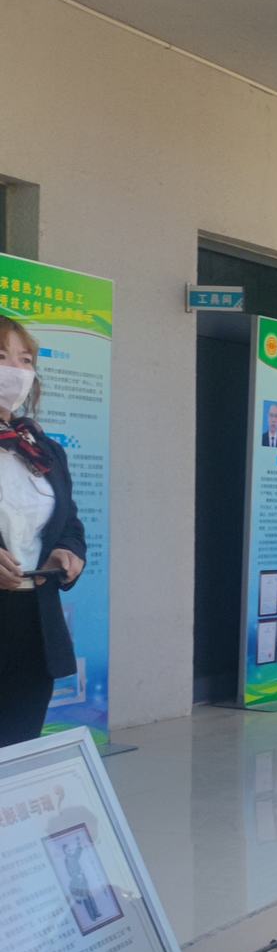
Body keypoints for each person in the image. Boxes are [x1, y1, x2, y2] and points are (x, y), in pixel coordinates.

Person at [0, 316, 86, 747]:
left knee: (18, 754)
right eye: (1, 357)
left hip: (33, 626)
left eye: (25, 359)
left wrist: (66, 552)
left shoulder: (42, 448)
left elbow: (69, 523)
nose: (15, 369)